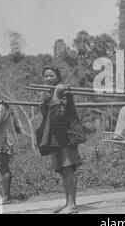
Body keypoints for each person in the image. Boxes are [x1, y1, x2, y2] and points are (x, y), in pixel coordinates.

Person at [35, 66, 87, 213]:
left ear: (58, 77)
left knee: (68, 169)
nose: (48, 78)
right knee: (63, 171)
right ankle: (67, 203)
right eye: (46, 76)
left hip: (66, 136)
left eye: (51, 75)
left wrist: (57, 94)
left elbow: (58, 115)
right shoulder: (50, 94)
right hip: (56, 138)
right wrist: (47, 100)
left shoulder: (64, 93)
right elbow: (47, 115)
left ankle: (72, 205)